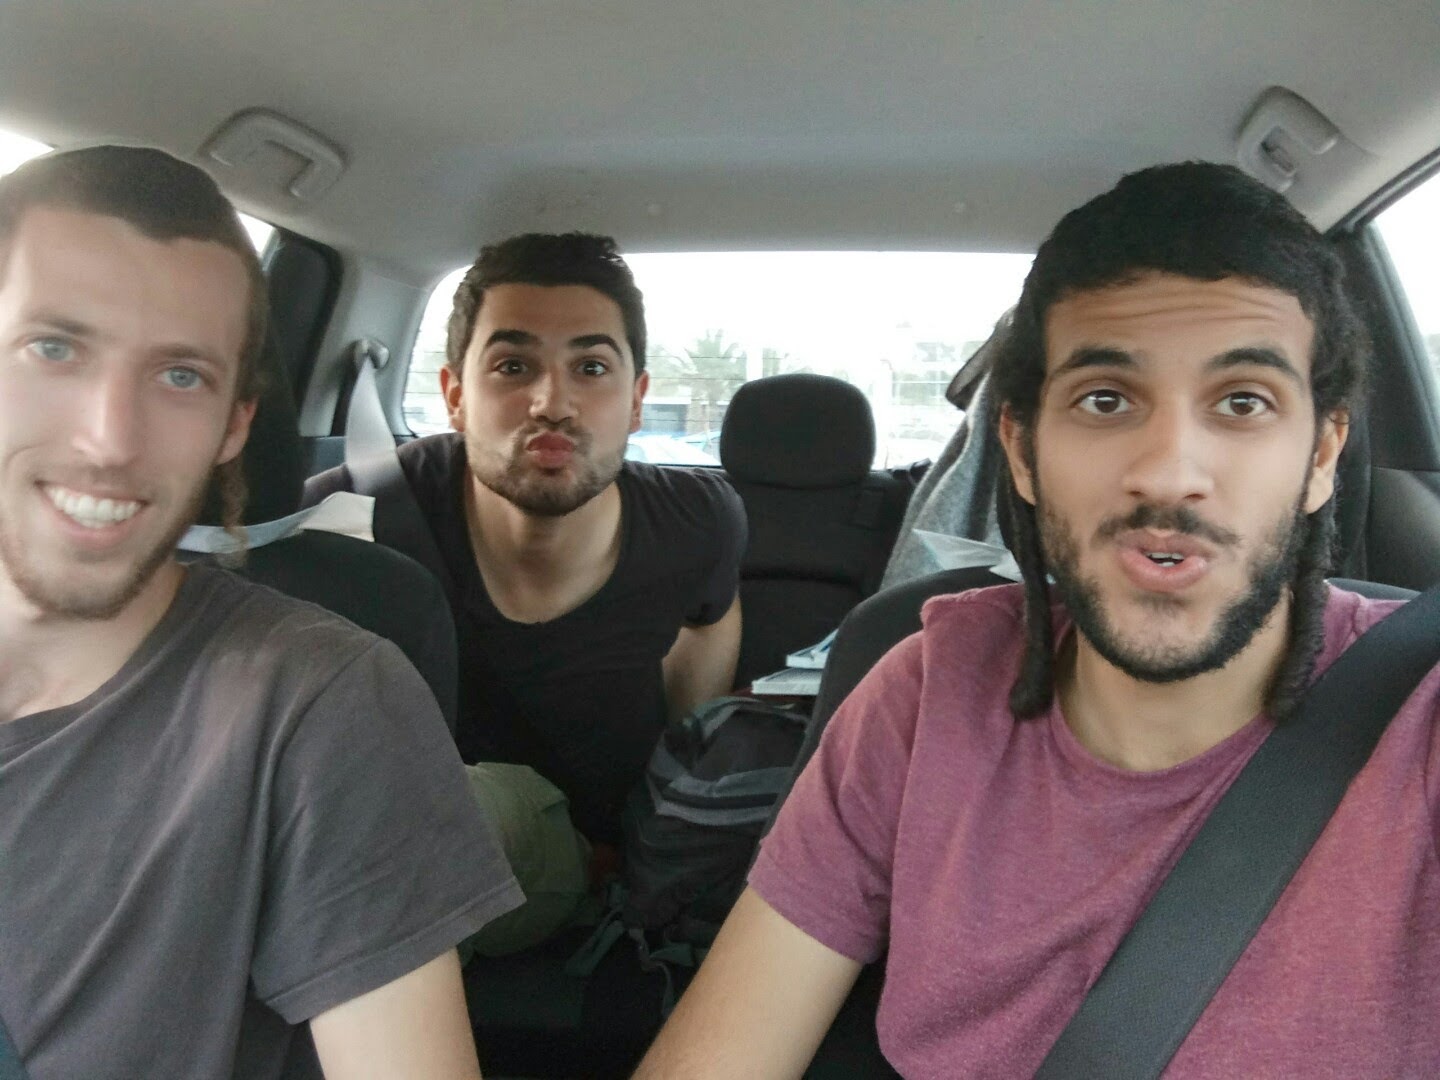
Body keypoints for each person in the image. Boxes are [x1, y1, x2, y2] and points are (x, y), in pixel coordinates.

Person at [634, 161, 1440, 1077]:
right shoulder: (924, 698)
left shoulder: (1419, 720)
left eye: (1243, 402)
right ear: (1020, 450)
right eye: (1106, 400)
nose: (1169, 472)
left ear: (1323, 453)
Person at [0, 145, 523, 1079]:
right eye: (55, 348)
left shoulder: (317, 704)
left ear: (235, 426)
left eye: (181, 376)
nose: (110, 438)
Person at [305, 234, 747, 856]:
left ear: (636, 401)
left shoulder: (698, 523)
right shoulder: (347, 517)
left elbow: (707, 632)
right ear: (456, 397)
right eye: (513, 367)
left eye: (591, 368)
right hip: (421, 863)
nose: (552, 405)